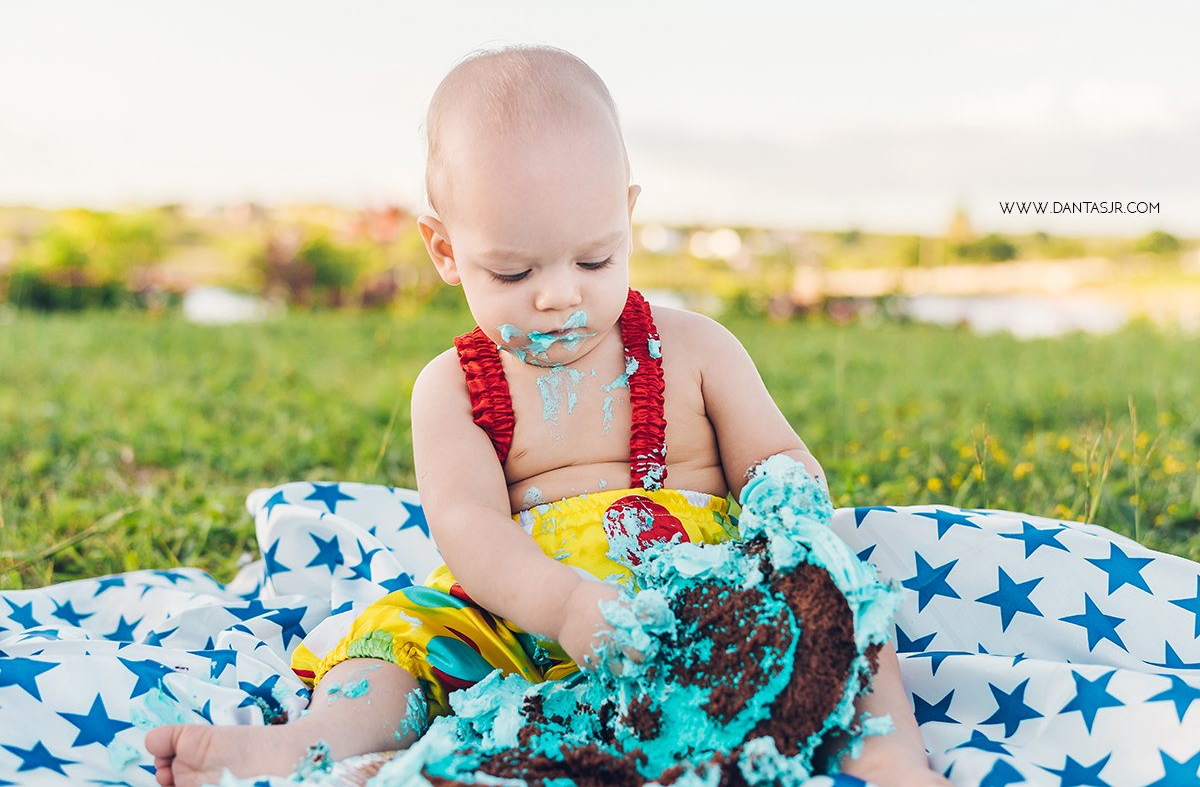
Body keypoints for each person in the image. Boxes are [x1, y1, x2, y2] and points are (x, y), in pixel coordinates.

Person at [147, 44, 949, 787]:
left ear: (627, 214)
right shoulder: (454, 387)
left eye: (594, 258)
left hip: (697, 603)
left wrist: (787, 503)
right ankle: (313, 745)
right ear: (445, 250)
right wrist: (560, 602)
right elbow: (467, 526)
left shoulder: (697, 348)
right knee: (391, 643)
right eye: (514, 268)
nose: (560, 292)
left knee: (839, 599)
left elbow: (776, 455)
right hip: (513, 615)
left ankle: (892, 758)